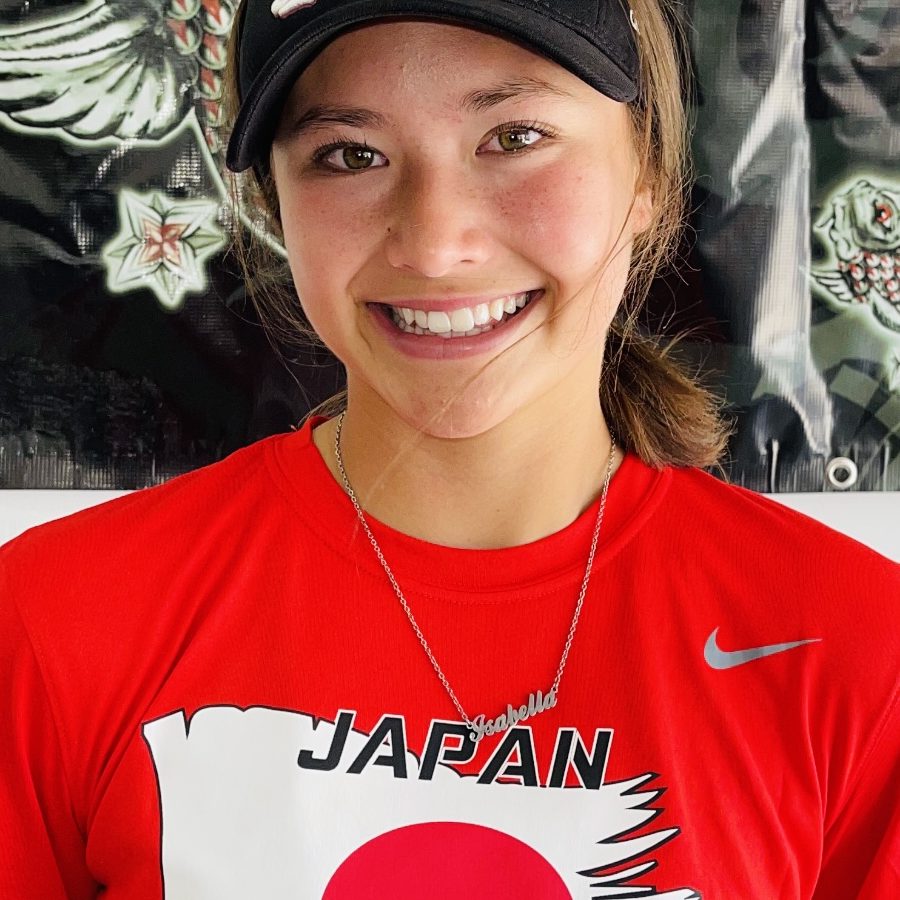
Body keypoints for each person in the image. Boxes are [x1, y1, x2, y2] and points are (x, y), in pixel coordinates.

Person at [0, 1, 897, 897]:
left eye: (514, 138)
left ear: (649, 175)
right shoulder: (51, 618)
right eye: (350, 155)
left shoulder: (860, 649)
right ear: (275, 204)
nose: (434, 246)